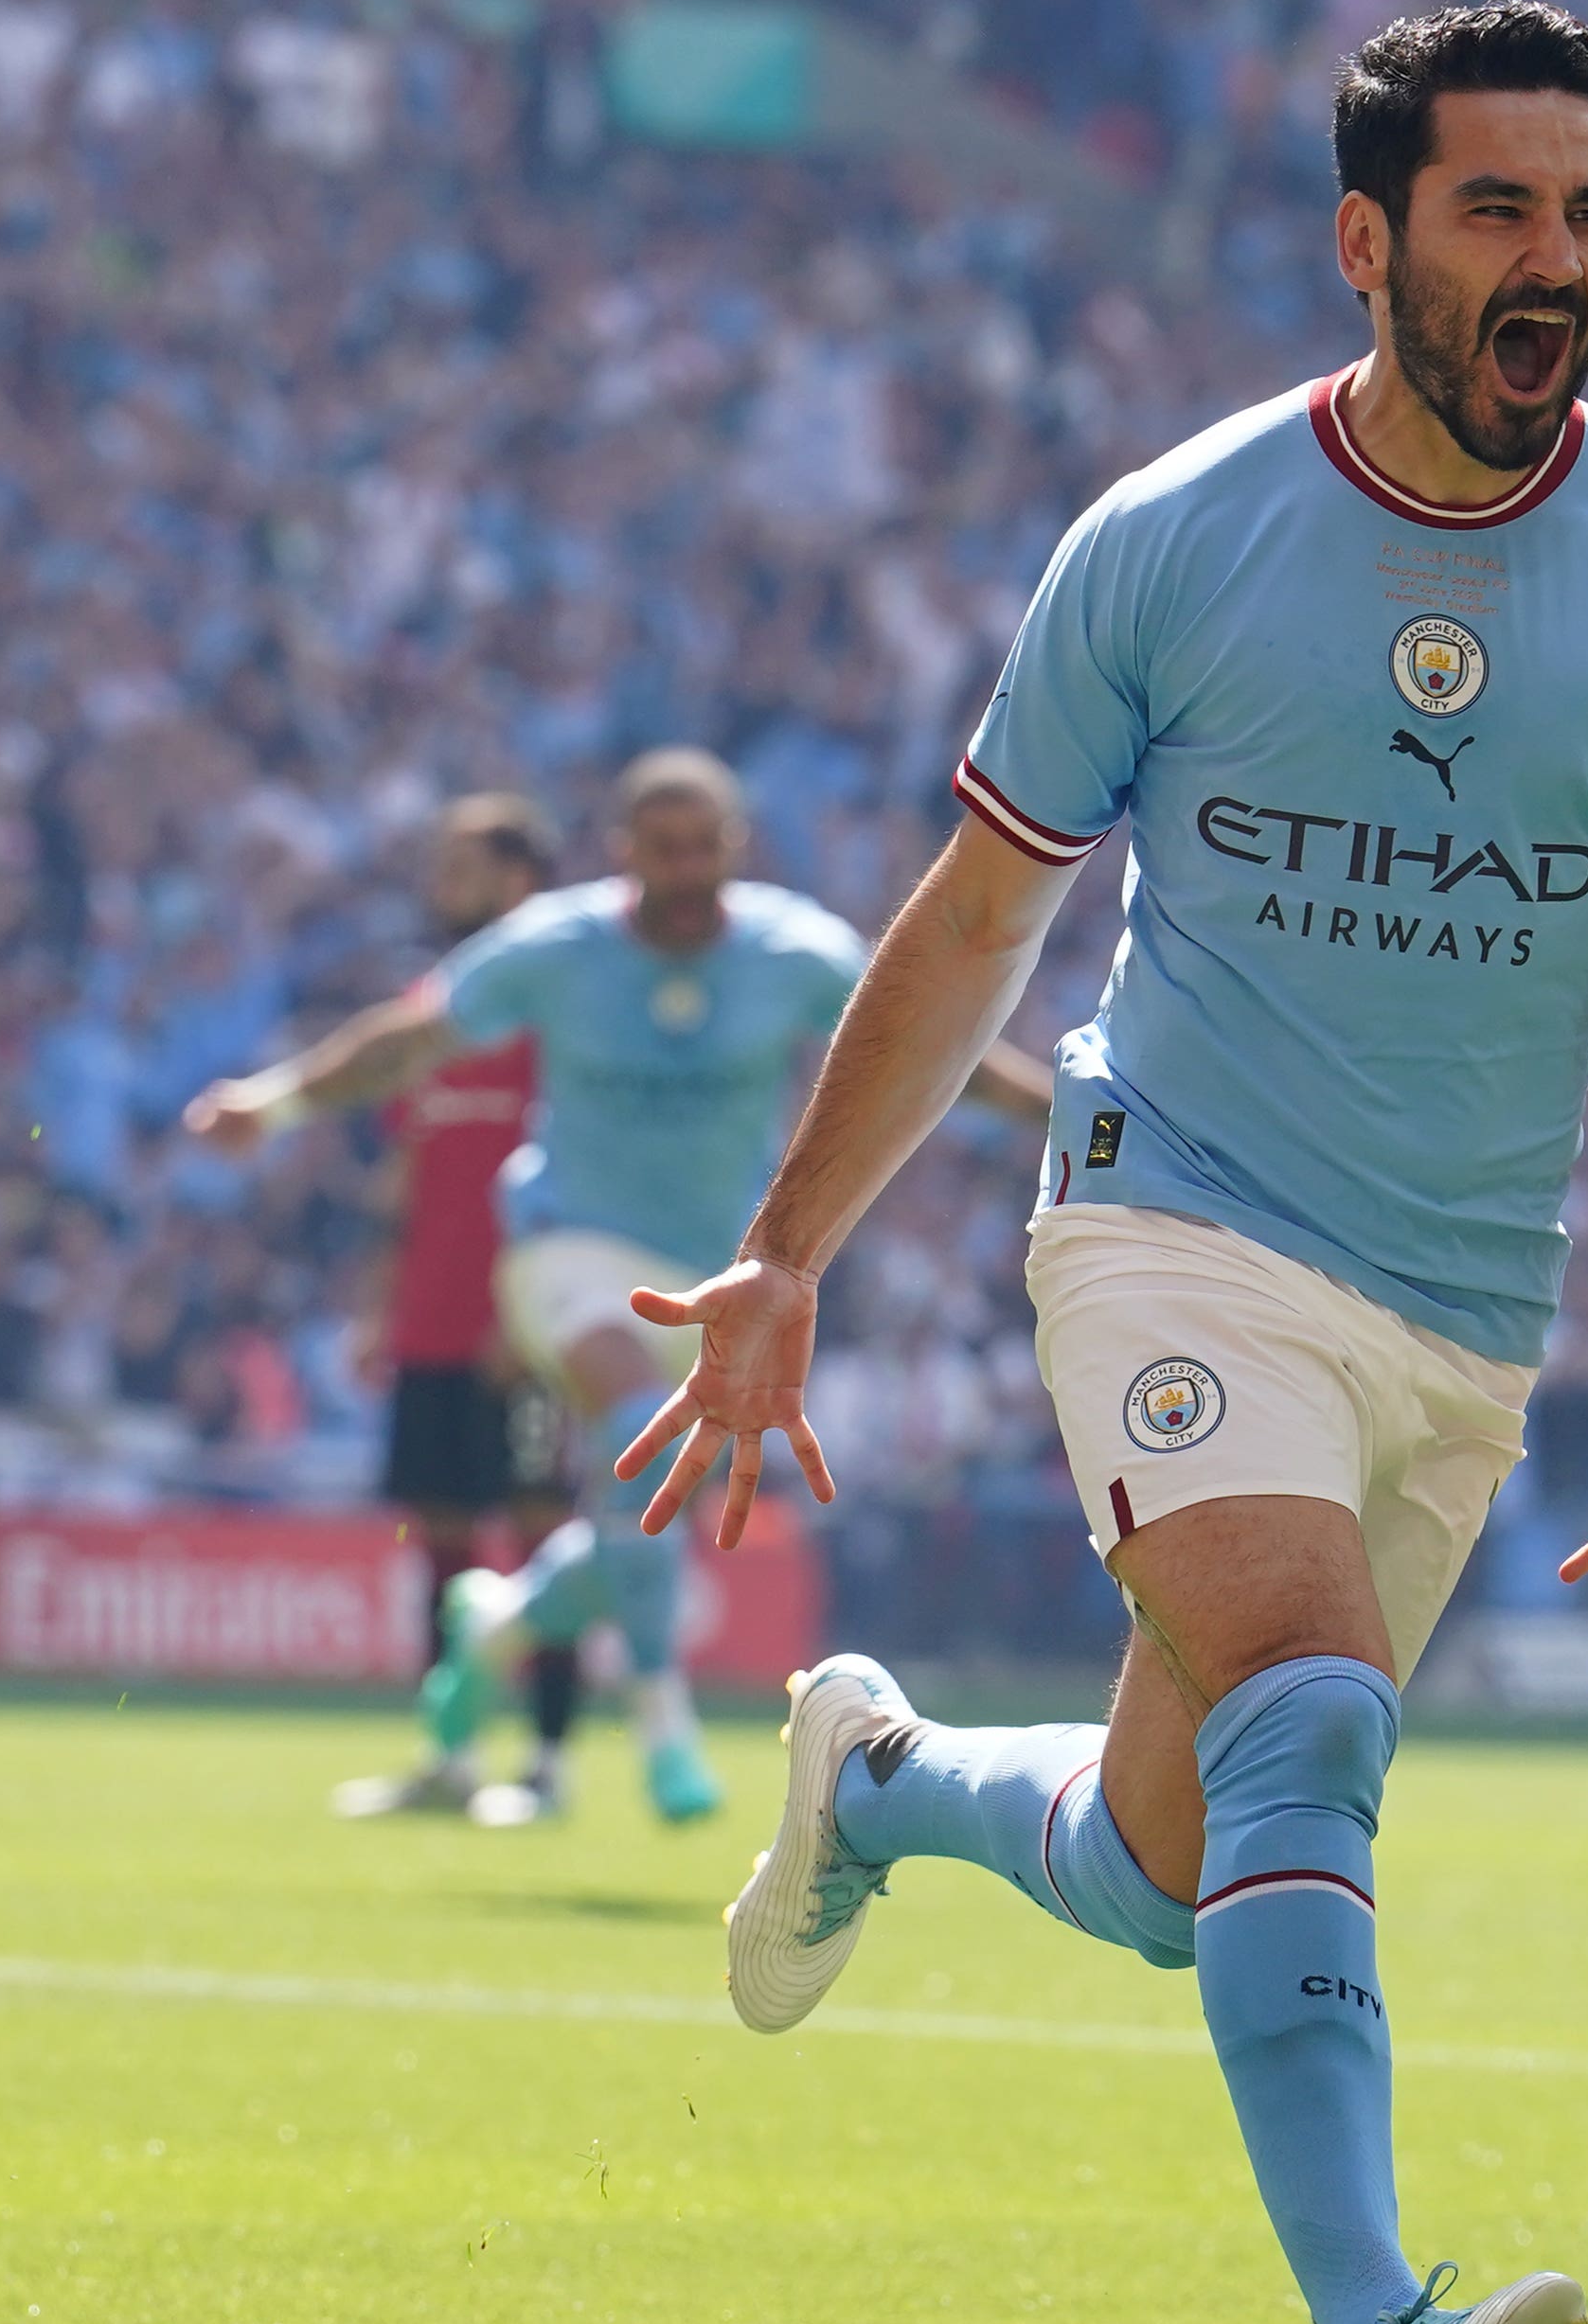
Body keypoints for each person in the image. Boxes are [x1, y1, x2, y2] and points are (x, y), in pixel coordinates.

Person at [623, 3, 1588, 2324]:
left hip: (1467, 1309)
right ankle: (1376, 2323)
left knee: (1182, 1866)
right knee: (1307, 1709)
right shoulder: (1174, 539)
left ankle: (879, 1778)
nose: (1558, 258)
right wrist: (789, 1248)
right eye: (1499, 207)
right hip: (1173, 1217)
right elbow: (983, 915)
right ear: (1364, 242)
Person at [193, 750, 1054, 1823]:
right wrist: (270, 1105)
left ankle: (503, 1623)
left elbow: (935, 1050)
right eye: (664, 849)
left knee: (635, 1512)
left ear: (736, 848)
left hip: (718, 1278)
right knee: (639, 1436)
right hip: (568, 1250)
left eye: (705, 847)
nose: (686, 869)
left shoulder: (797, 952)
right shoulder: (558, 948)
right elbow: (410, 1039)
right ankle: (665, 1729)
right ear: (624, 853)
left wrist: (1067, 1107)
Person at [190, 794, 580, 1819]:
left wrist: (522, 1308)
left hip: (532, 1325)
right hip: (431, 1320)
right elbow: (411, 1171)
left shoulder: (561, 1009)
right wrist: (379, 1307)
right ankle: (449, 1757)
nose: (439, 877)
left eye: (462, 860)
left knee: (543, 1537)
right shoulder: (432, 1008)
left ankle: (547, 1765)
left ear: (518, 877)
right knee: (443, 1544)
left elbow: (574, 1172)